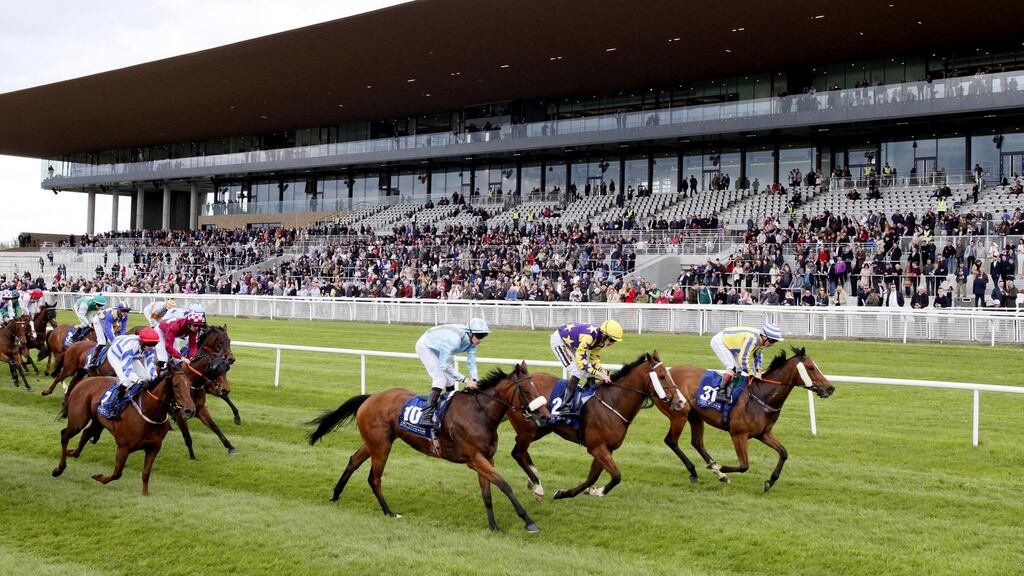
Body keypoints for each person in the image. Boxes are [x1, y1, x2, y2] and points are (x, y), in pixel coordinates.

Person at [415, 318, 490, 428]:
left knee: (450, 380)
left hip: (440, 346)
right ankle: (426, 416)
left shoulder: (472, 342)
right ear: (470, 333)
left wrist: (475, 379)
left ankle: (450, 408)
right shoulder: (454, 340)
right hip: (426, 346)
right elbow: (444, 365)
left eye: (483, 336)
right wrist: (465, 380)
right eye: (479, 336)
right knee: (440, 379)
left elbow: (471, 362)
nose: (480, 340)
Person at [549, 319, 623, 415]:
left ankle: (586, 394)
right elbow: (582, 364)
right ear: (605, 335)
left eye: (615, 341)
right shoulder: (589, 337)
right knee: (576, 371)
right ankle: (564, 406)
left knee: (587, 371)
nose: (612, 343)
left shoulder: (601, 340)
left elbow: (594, 359)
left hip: (572, 343)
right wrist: (600, 374)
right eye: (612, 340)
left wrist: (602, 371)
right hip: (559, 340)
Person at [709, 323, 783, 404]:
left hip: (731, 344)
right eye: (772, 340)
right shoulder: (753, 339)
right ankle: (720, 393)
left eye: (775, 341)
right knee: (732, 367)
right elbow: (743, 359)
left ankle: (731, 392)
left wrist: (759, 372)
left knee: (738, 369)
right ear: (764, 336)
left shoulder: (761, 342)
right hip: (720, 341)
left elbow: (758, 357)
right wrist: (752, 374)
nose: (772, 344)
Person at [96, 329, 160, 420]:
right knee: (126, 381)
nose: (151, 347)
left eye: (154, 344)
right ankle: (110, 404)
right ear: (142, 342)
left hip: (133, 356)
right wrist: (138, 380)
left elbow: (150, 365)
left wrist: (154, 378)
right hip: (116, 355)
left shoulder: (151, 349)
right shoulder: (130, 347)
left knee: (146, 378)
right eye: (149, 344)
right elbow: (126, 368)